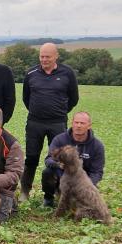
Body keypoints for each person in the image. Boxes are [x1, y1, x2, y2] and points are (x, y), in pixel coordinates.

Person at [20, 42, 79, 201]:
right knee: (31, 157)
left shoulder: (67, 73)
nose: (44, 59)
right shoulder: (31, 73)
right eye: (42, 56)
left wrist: (58, 111)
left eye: (48, 57)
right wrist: (37, 110)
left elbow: (74, 98)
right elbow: (26, 98)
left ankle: (58, 192)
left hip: (57, 123)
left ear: (56, 56)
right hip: (35, 123)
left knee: (58, 158)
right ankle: (25, 191)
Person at [40, 111, 105, 207]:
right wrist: (59, 165)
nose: (78, 126)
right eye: (76, 122)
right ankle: (49, 199)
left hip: (83, 180)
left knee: (85, 206)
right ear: (72, 123)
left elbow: (97, 172)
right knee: (47, 172)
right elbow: (48, 159)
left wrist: (86, 185)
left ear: (89, 126)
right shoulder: (60, 139)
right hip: (62, 178)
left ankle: (78, 197)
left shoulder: (97, 146)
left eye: (82, 123)